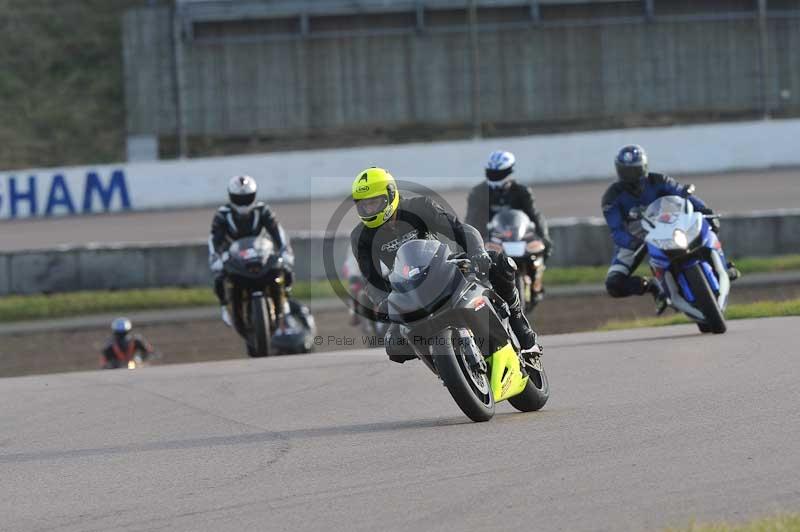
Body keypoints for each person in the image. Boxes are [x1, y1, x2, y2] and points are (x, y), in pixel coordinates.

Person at [350, 166, 540, 364]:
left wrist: (477, 252)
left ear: (390, 195)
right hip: (407, 288)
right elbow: (371, 279)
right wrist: (383, 302)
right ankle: (444, 365)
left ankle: (520, 326)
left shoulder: (419, 207)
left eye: (374, 202)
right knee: (394, 346)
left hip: (444, 266)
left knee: (500, 263)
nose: (370, 209)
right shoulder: (360, 236)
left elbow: (460, 230)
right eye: (364, 205)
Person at [602, 144, 739, 311]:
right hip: (637, 237)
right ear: (618, 171)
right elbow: (616, 230)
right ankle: (654, 286)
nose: (630, 176)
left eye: (634, 170)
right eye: (625, 171)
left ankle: (724, 266)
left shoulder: (659, 180)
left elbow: (683, 194)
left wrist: (704, 210)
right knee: (614, 284)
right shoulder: (611, 197)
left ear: (644, 168)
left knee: (706, 225)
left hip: (671, 223)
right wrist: (632, 243)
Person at [208, 175, 291, 326]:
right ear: (231, 197)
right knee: (219, 276)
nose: (243, 202)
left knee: (283, 267)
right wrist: (215, 257)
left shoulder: (263, 210)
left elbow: (276, 231)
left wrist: (285, 250)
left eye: (247, 198)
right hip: (234, 257)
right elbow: (214, 238)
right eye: (239, 199)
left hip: (261, 253)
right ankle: (225, 307)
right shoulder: (223, 214)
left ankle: (285, 297)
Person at [465, 150, 552, 257]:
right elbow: (472, 219)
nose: (495, 176)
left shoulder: (522, 191)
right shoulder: (478, 192)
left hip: (519, 237)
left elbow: (533, 215)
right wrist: (472, 243)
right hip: (490, 240)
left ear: (509, 171)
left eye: (499, 173)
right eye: (491, 173)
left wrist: (544, 238)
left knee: (538, 248)